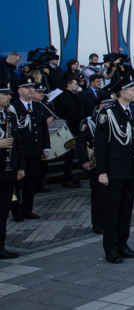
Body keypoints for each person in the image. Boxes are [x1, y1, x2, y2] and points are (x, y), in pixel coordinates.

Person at [94, 79, 134, 264]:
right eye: (132, 90)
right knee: (112, 211)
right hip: (113, 171)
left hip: (131, 169)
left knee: (126, 210)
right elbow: (100, 146)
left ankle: (123, 244)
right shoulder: (107, 113)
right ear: (122, 93)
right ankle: (111, 248)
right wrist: (102, 171)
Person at [9, 77, 50, 222]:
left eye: (32, 87)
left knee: (31, 182)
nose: (31, 90)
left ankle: (28, 209)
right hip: (21, 151)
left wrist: (46, 147)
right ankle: (16, 211)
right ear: (19, 91)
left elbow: (43, 129)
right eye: (27, 88)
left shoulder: (39, 106)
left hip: (35, 150)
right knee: (17, 182)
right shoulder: (13, 107)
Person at [75, 97, 114, 233]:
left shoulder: (112, 118)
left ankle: (109, 222)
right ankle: (98, 224)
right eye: (109, 104)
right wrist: (84, 160)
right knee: (98, 195)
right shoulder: (89, 121)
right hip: (95, 161)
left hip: (110, 161)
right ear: (102, 105)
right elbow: (80, 142)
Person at [0, 81, 25, 259]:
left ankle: (1, 246)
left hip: (8, 170)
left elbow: (18, 143)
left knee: (3, 210)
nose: (9, 97)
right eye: (5, 94)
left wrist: (21, 166)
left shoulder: (9, 115)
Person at [53, 78, 83, 187]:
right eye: (75, 84)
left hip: (69, 129)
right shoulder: (67, 97)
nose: (77, 86)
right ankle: (67, 179)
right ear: (68, 85)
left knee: (70, 156)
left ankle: (68, 177)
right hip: (70, 130)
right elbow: (74, 114)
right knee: (69, 156)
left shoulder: (66, 96)